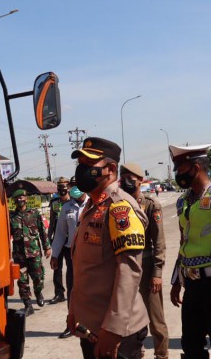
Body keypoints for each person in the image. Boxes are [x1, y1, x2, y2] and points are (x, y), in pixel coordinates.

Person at [67, 137, 149, 359]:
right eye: (80, 165)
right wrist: (74, 310)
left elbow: (129, 272)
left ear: (110, 169)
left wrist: (113, 329)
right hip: (91, 327)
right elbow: (83, 267)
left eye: (88, 166)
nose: (81, 171)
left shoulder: (119, 207)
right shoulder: (92, 207)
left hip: (116, 333)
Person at [168, 144, 211, 359]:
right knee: (191, 344)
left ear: (196, 168)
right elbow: (183, 242)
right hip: (192, 285)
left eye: (181, 169)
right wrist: (176, 280)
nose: (177, 174)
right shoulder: (183, 202)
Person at [120, 162, 169, 359]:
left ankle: (161, 355)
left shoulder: (150, 204)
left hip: (147, 267)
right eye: (122, 176)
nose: (125, 181)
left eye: (130, 177)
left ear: (140, 180)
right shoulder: (119, 204)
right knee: (129, 318)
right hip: (125, 268)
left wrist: (157, 273)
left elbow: (159, 242)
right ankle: (135, 353)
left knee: (155, 319)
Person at [51, 181, 89, 339]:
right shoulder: (66, 207)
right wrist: (55, 254)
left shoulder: (94, 204)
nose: (75, 189)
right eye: (72, 186)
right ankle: (71, 325)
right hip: (73, 255)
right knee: (72, 290)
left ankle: (92, 324)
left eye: (77, 185)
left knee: (92, 290)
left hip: (91, 254)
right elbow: (60, 233)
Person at [9, 188, 51, 316]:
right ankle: (28, 305)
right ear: (15, 201)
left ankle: (38, 292)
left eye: (22, 197)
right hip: (19, 255)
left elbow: (42, 232)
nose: (20, 200)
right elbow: (5, 235)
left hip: (34, 253)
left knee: (38, 277)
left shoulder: (34, 213)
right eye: (17, 198)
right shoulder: (11, 217)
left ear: (26, 199)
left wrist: (47, 247)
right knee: (22, 281)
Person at [49, 177, 72, 304]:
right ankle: (59, 293)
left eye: (63, 188)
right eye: (59, 188)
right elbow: (52, 223)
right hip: (58, 240)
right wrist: (48, 240)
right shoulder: (54, 203)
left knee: (71, 267)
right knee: (56, 267)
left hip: (70, 240)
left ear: (68, 188)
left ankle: (72, 291)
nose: (61, 190)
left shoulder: (73, 202)